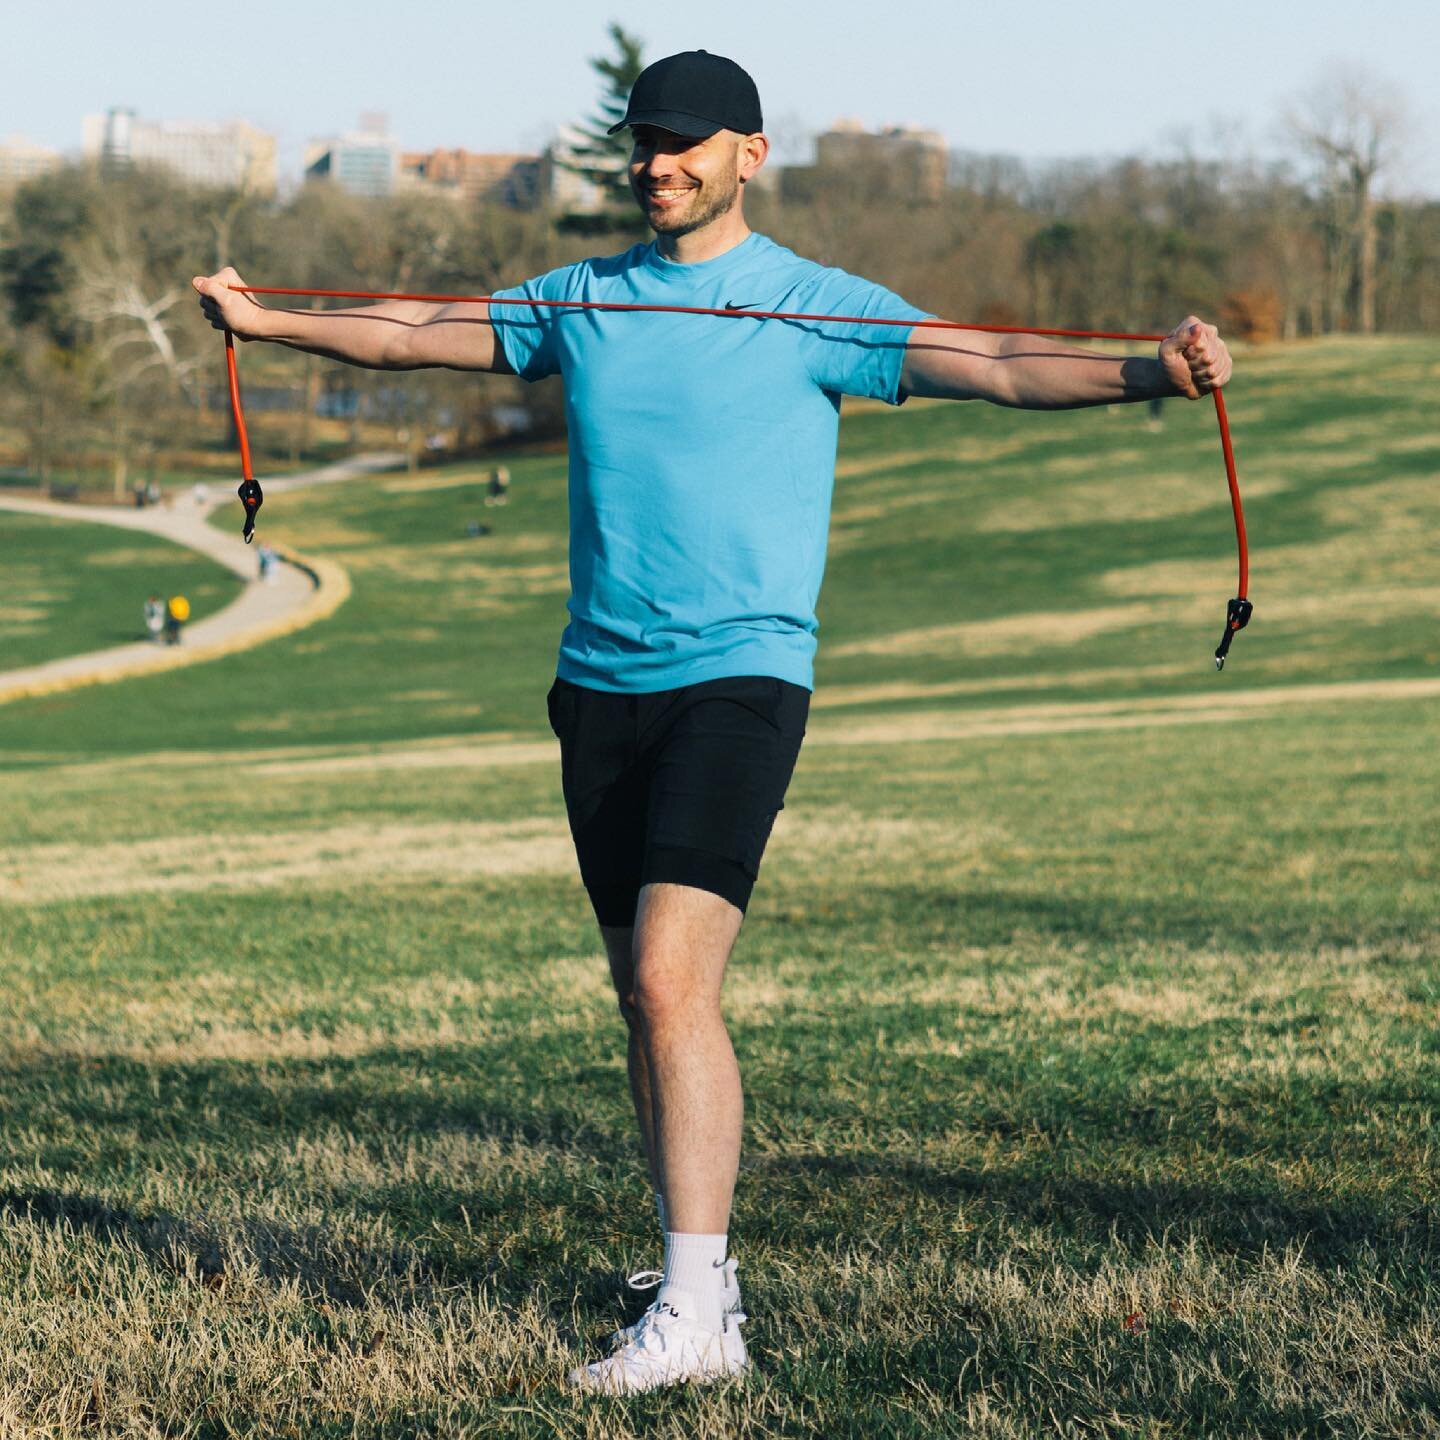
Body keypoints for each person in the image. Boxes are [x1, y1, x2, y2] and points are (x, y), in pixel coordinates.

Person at [194, 48, 1231, 1395]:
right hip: (597, 687)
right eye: (645, 141)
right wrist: (263, 321)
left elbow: (992, 360)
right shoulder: (581, 299)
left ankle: (693, 1317)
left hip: (740, 681)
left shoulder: (810, 307)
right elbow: (408, 332)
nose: (658, 163)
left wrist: (1155, 369)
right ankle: (699, 1283)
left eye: (687, 142)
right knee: (643, 1000)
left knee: (674, 982)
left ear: (749, 153)